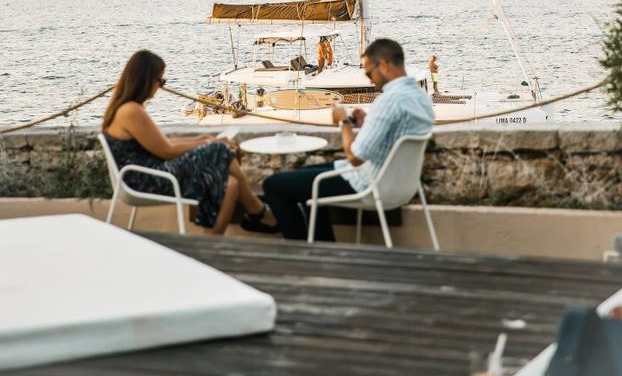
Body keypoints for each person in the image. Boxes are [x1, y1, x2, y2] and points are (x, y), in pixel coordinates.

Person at [263, 38, 434, 241]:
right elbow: (393, 133)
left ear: (385, 64)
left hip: (368, 183)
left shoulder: (388, 100)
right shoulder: (420, 96)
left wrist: (344, 121)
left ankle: (304, 252)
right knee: (301, 177)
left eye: (369, 72)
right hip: (402, 187)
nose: (370, 80)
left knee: (273, 185)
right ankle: (323, 247)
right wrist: (365, 123)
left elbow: (354, 157)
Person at [102, 49, 278, 235]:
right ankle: (257, 210)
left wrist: (200, 139)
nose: (160, 87)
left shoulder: (124, 108)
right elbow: (167, 152)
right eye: (160, 81)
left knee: (230, 183)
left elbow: (161, 143)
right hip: (148, 179)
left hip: (149, 173)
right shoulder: (132, 111)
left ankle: (211, 244)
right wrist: (207, 144)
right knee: (219, 149)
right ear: (145, 80)